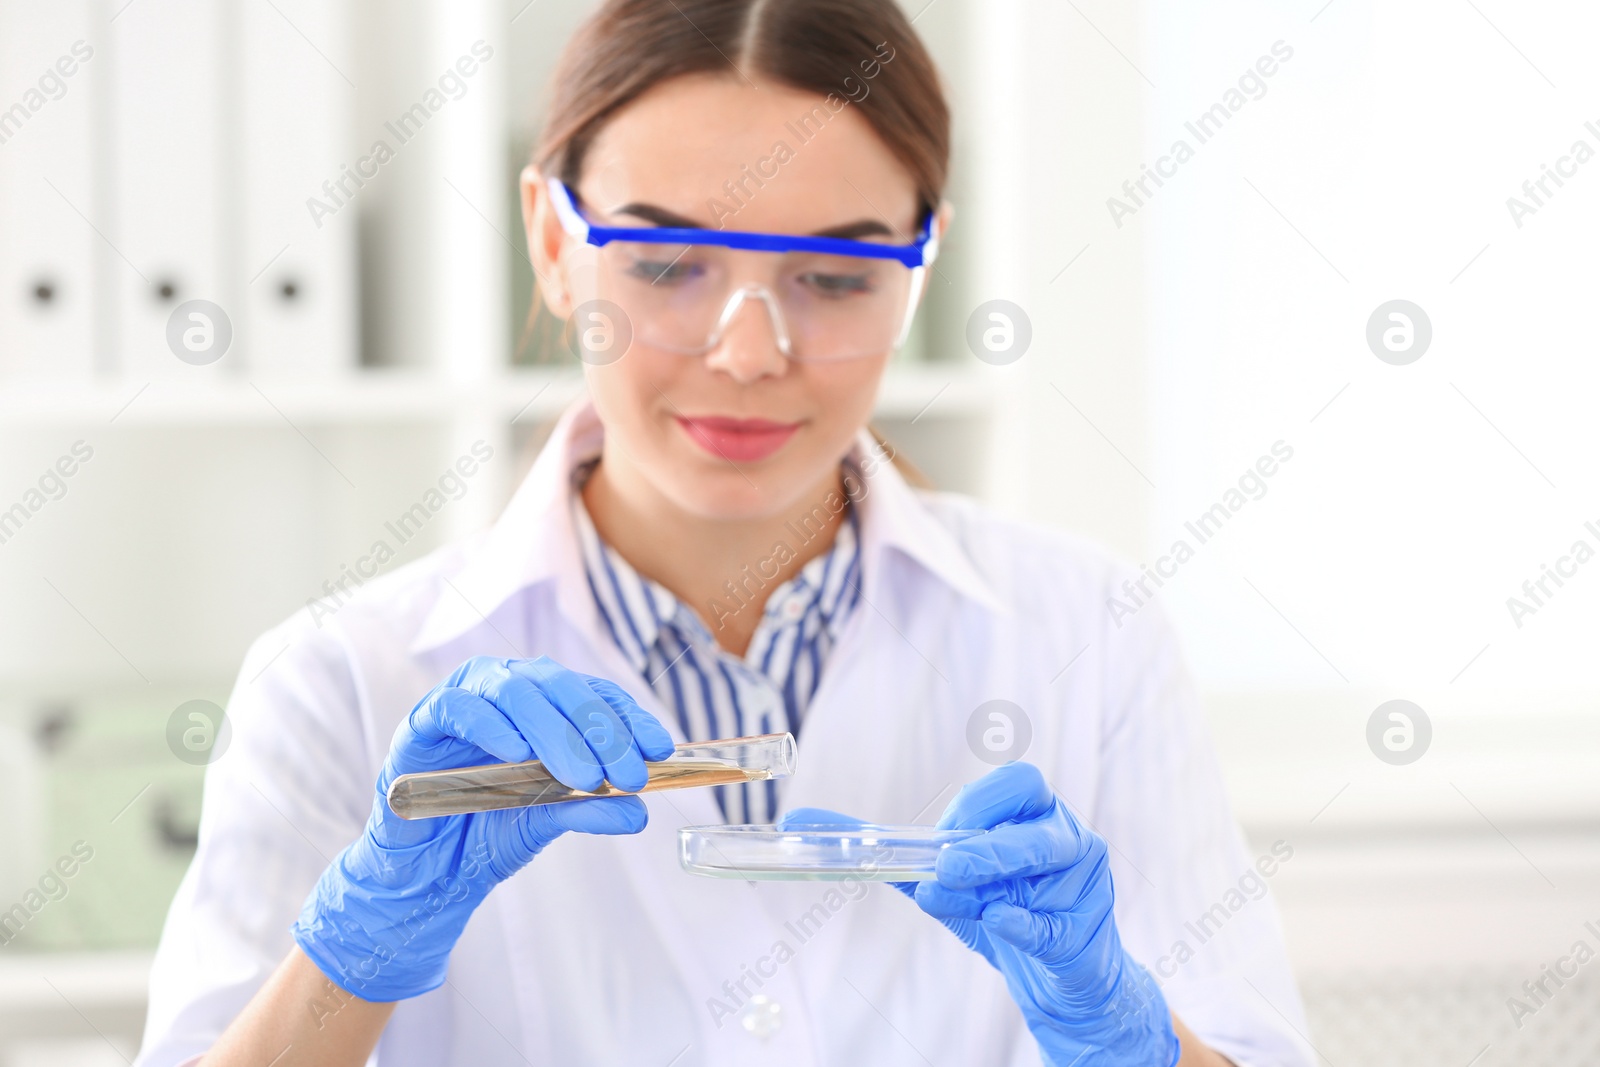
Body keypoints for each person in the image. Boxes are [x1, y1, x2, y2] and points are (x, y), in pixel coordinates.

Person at [136, 1, 1312, 1064]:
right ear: (553, 244)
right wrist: (352, 961)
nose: (749, 353)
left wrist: (1126, 1038)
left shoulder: (1086, 629)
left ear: (919, 266)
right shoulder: (337, 677)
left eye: (837, 277)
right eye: (665, 261)